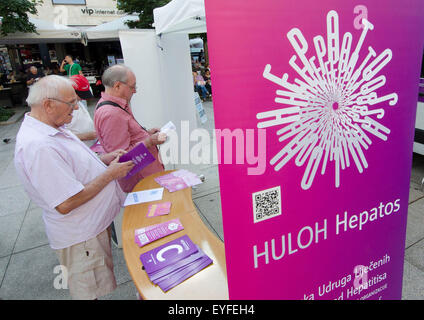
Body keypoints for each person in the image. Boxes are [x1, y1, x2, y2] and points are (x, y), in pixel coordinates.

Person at [14, 75, 135, 300]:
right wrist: (110, 174)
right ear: (48, 104)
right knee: (88, 293)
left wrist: (104, 159)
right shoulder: (40, 146)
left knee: (95, 287)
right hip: (81, 235)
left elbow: (75, 167)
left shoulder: (51, 128)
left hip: (89, 229)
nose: (77, 108)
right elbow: (66, 202)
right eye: (71, 103)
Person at [94, 64, 166, 193]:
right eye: (132, 87)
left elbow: (127, 136)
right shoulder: (112, 114)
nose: (135, 91)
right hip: (142, 182)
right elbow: (121, 158)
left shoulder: (115, 106)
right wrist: (150, 141)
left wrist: (146, 134)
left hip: (145, 177)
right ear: (117, 86)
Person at [66, 74, 97, 142]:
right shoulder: (61, 110)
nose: (82, 99)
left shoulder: (78, 102)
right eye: (80, 96)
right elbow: (60, 137)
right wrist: (84, 136)